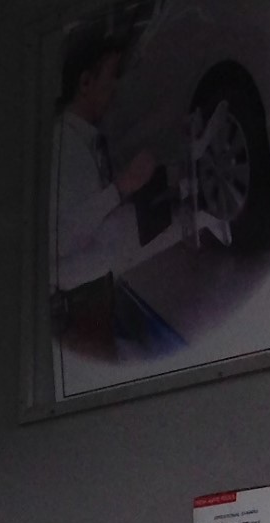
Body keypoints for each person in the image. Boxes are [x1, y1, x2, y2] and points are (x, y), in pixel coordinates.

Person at [51, 25, 183, 358]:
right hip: (84, 307)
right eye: (112, 76)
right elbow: (62, 239)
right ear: (85, 83)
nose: (116, 87)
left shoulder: (84, 141)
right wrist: (122, 187)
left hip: (96, 300)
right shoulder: (65, 146)